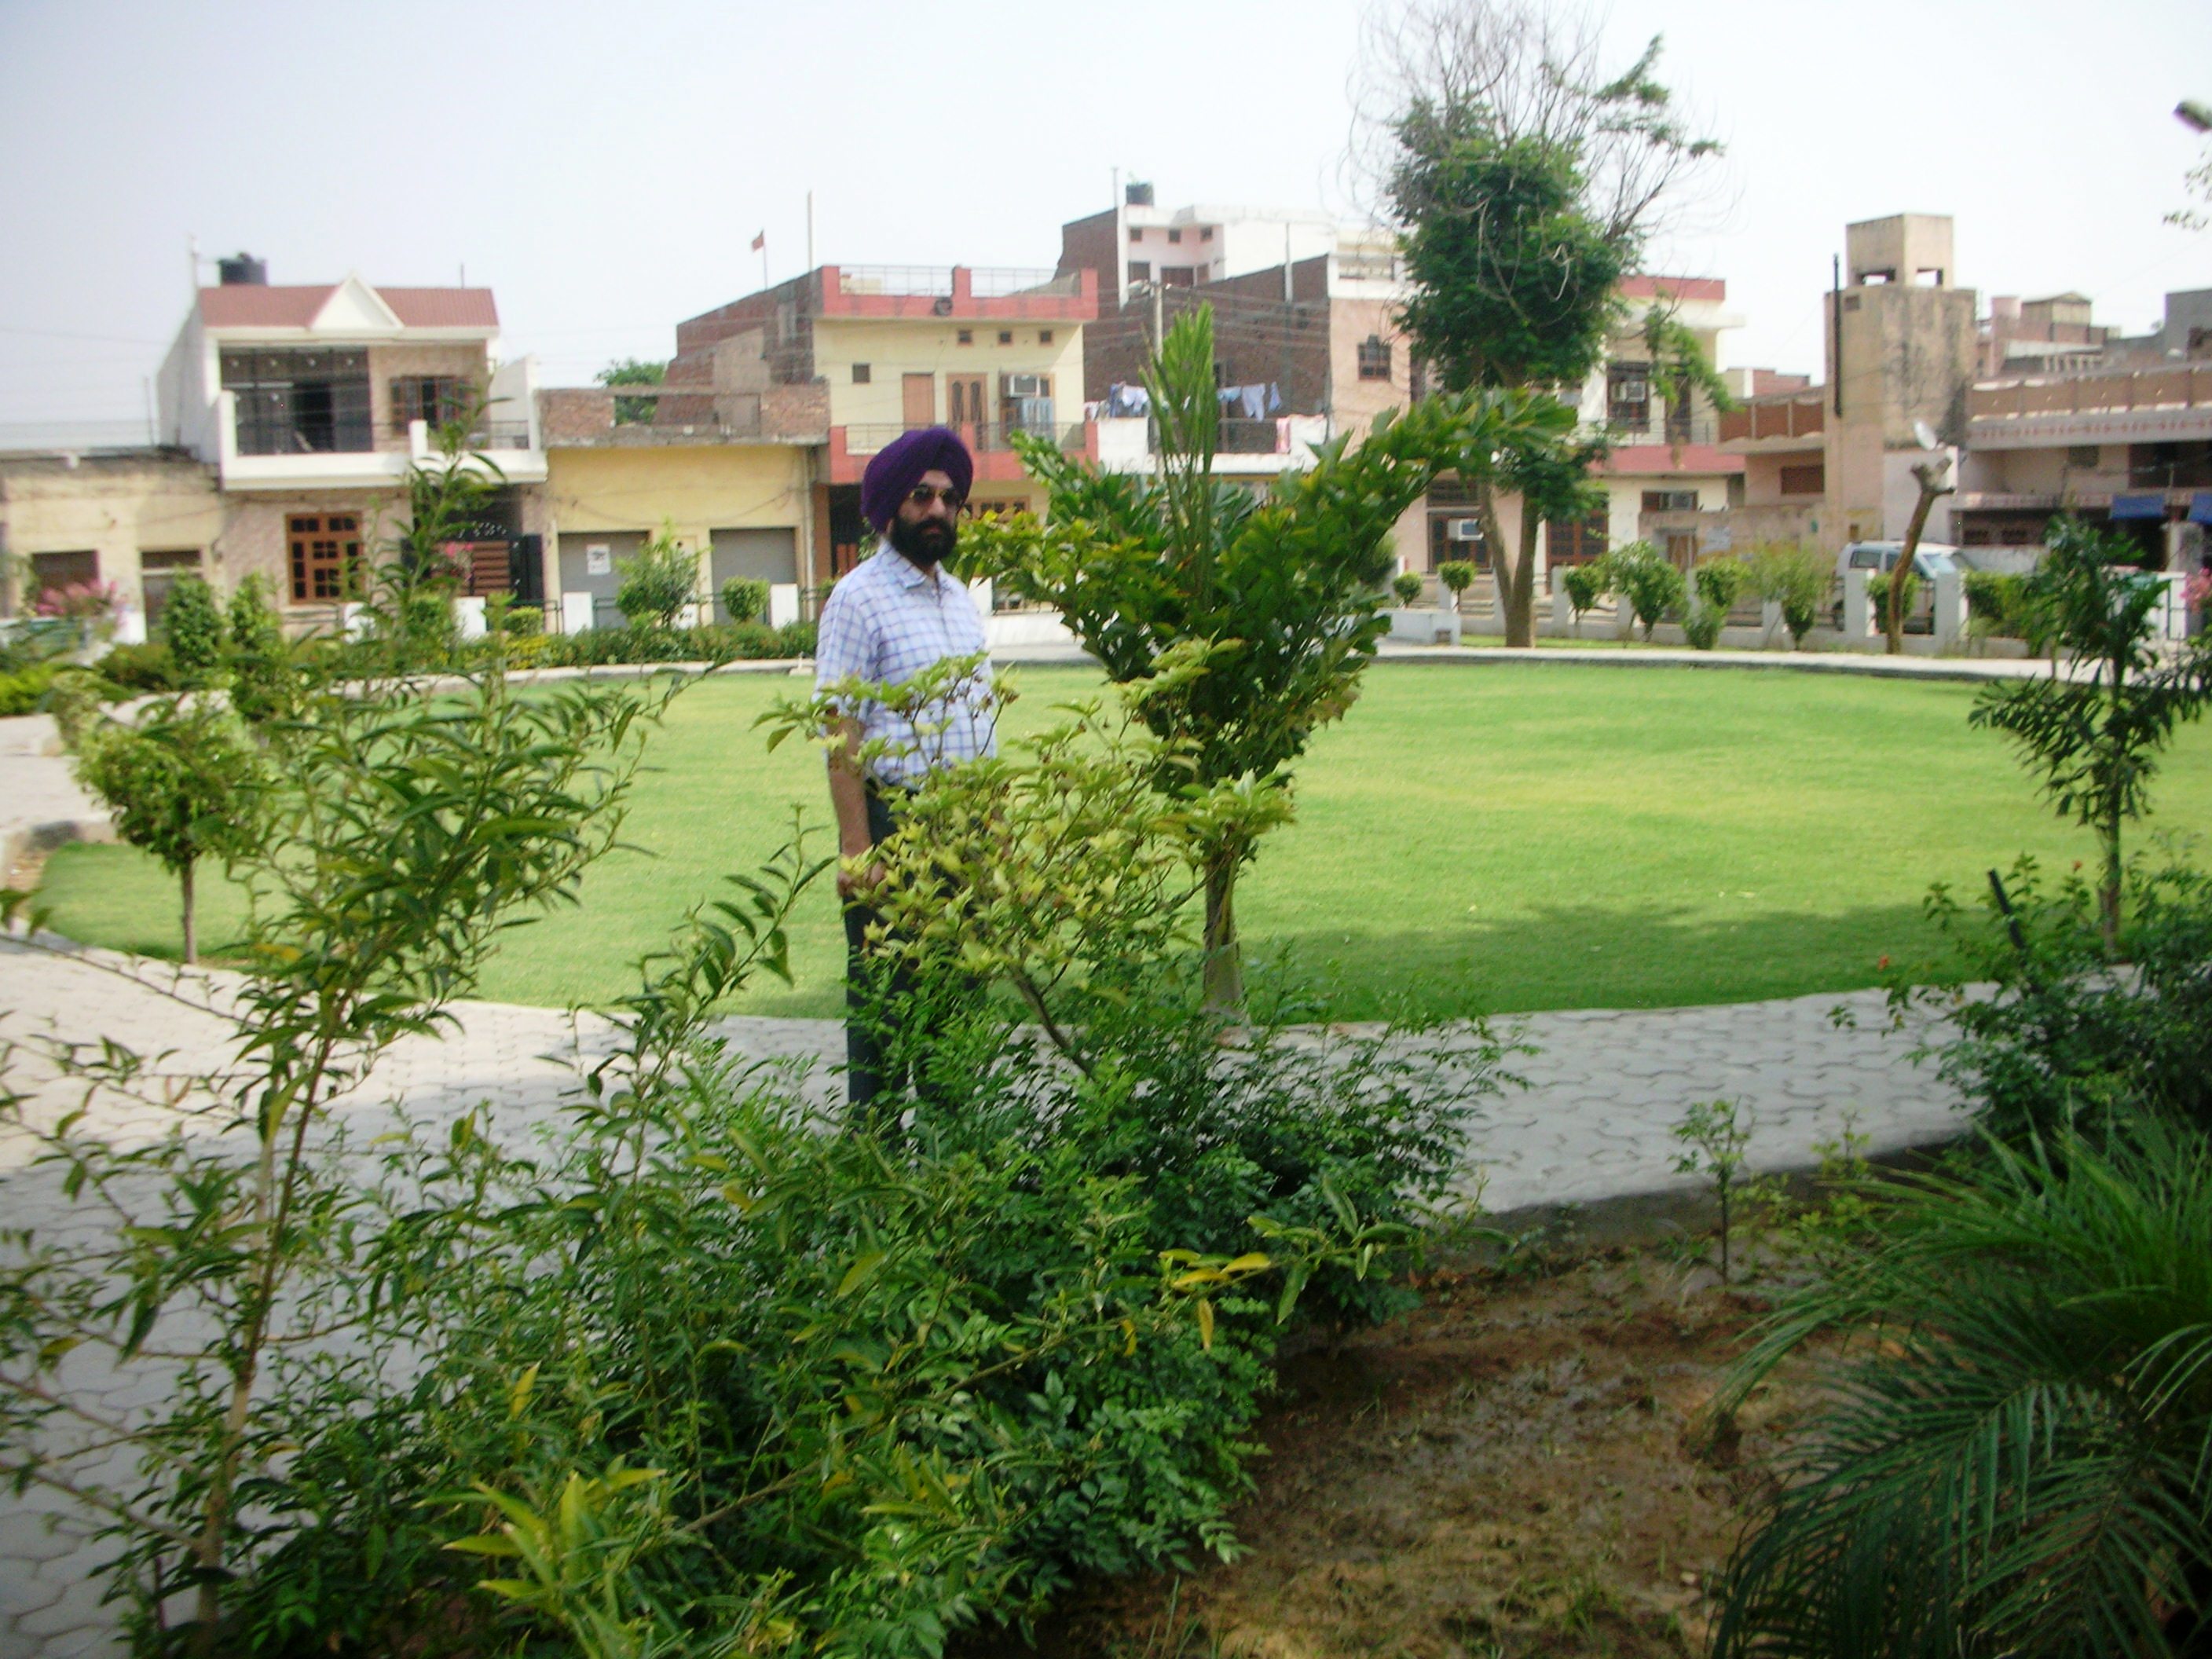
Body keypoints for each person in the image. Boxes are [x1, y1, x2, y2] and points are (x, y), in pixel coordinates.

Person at [813, 425, 994, 1109]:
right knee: (886, 1014)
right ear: (891, 507)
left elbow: (980, 725)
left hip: (964, 834)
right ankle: (877, 1159)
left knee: (959, 1009)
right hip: (894, 828)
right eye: (922, 496)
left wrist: (994, 834)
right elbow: (841, 731)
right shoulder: (858, 598)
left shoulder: (960, 600)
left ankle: (955, 1155)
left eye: (949, 498)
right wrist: (858, 849)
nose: (938, 510)